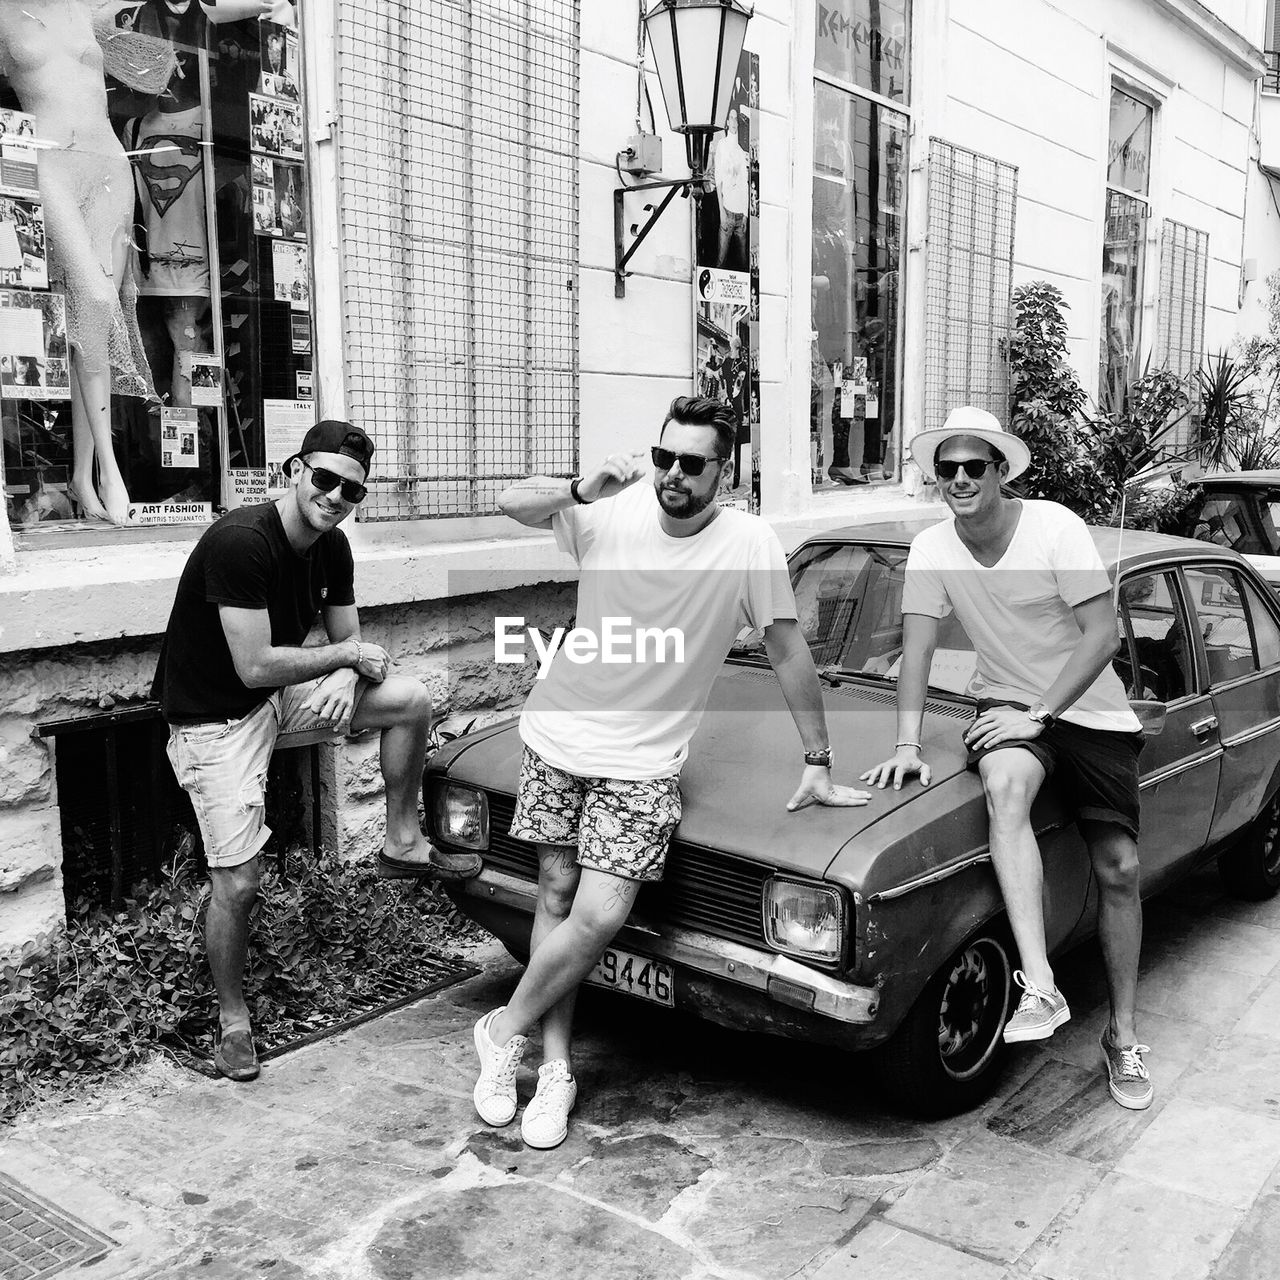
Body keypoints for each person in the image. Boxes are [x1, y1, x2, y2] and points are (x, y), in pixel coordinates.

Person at [477, 395, 870, 1149]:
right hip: (556, 735)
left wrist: (818, 759)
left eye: (694, 463)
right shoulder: (609, 511)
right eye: (665, 457)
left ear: (727, 470)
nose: (674, 476)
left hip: (643, 763)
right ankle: (552, 1070)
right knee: (555, 900)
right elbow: (510, 502)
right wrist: (584, 488)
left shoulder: (748, 542)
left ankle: (503, 1027)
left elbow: (789, 651)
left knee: (597, 917)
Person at [152, 419, 480, 1083]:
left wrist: (343, 668)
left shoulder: (332, 548)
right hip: (219, 716)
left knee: (411, 700)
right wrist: (344, 658)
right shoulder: (241, 541)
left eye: (350, 490)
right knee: (238, 881)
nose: (334, 496)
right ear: (293, 471)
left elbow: (350, 642)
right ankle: (233, 1021)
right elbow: (252, 666)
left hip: (284, 693)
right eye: (323, 479)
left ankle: (400, 841)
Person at [860, 406, 1152, 1110]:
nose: (959, 479)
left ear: (999, 472)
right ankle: (1041, 987)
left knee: (1120, 868)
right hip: (1007, 707)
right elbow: (918, 649)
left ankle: (1122, 1034)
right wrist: (905, 743)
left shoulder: (1054, 526)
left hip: (1085, 707)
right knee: (1005, 787)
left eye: (973, 467)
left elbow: (1101, 635)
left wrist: (1042, 711)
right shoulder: (932, 548)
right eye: (947, 469)